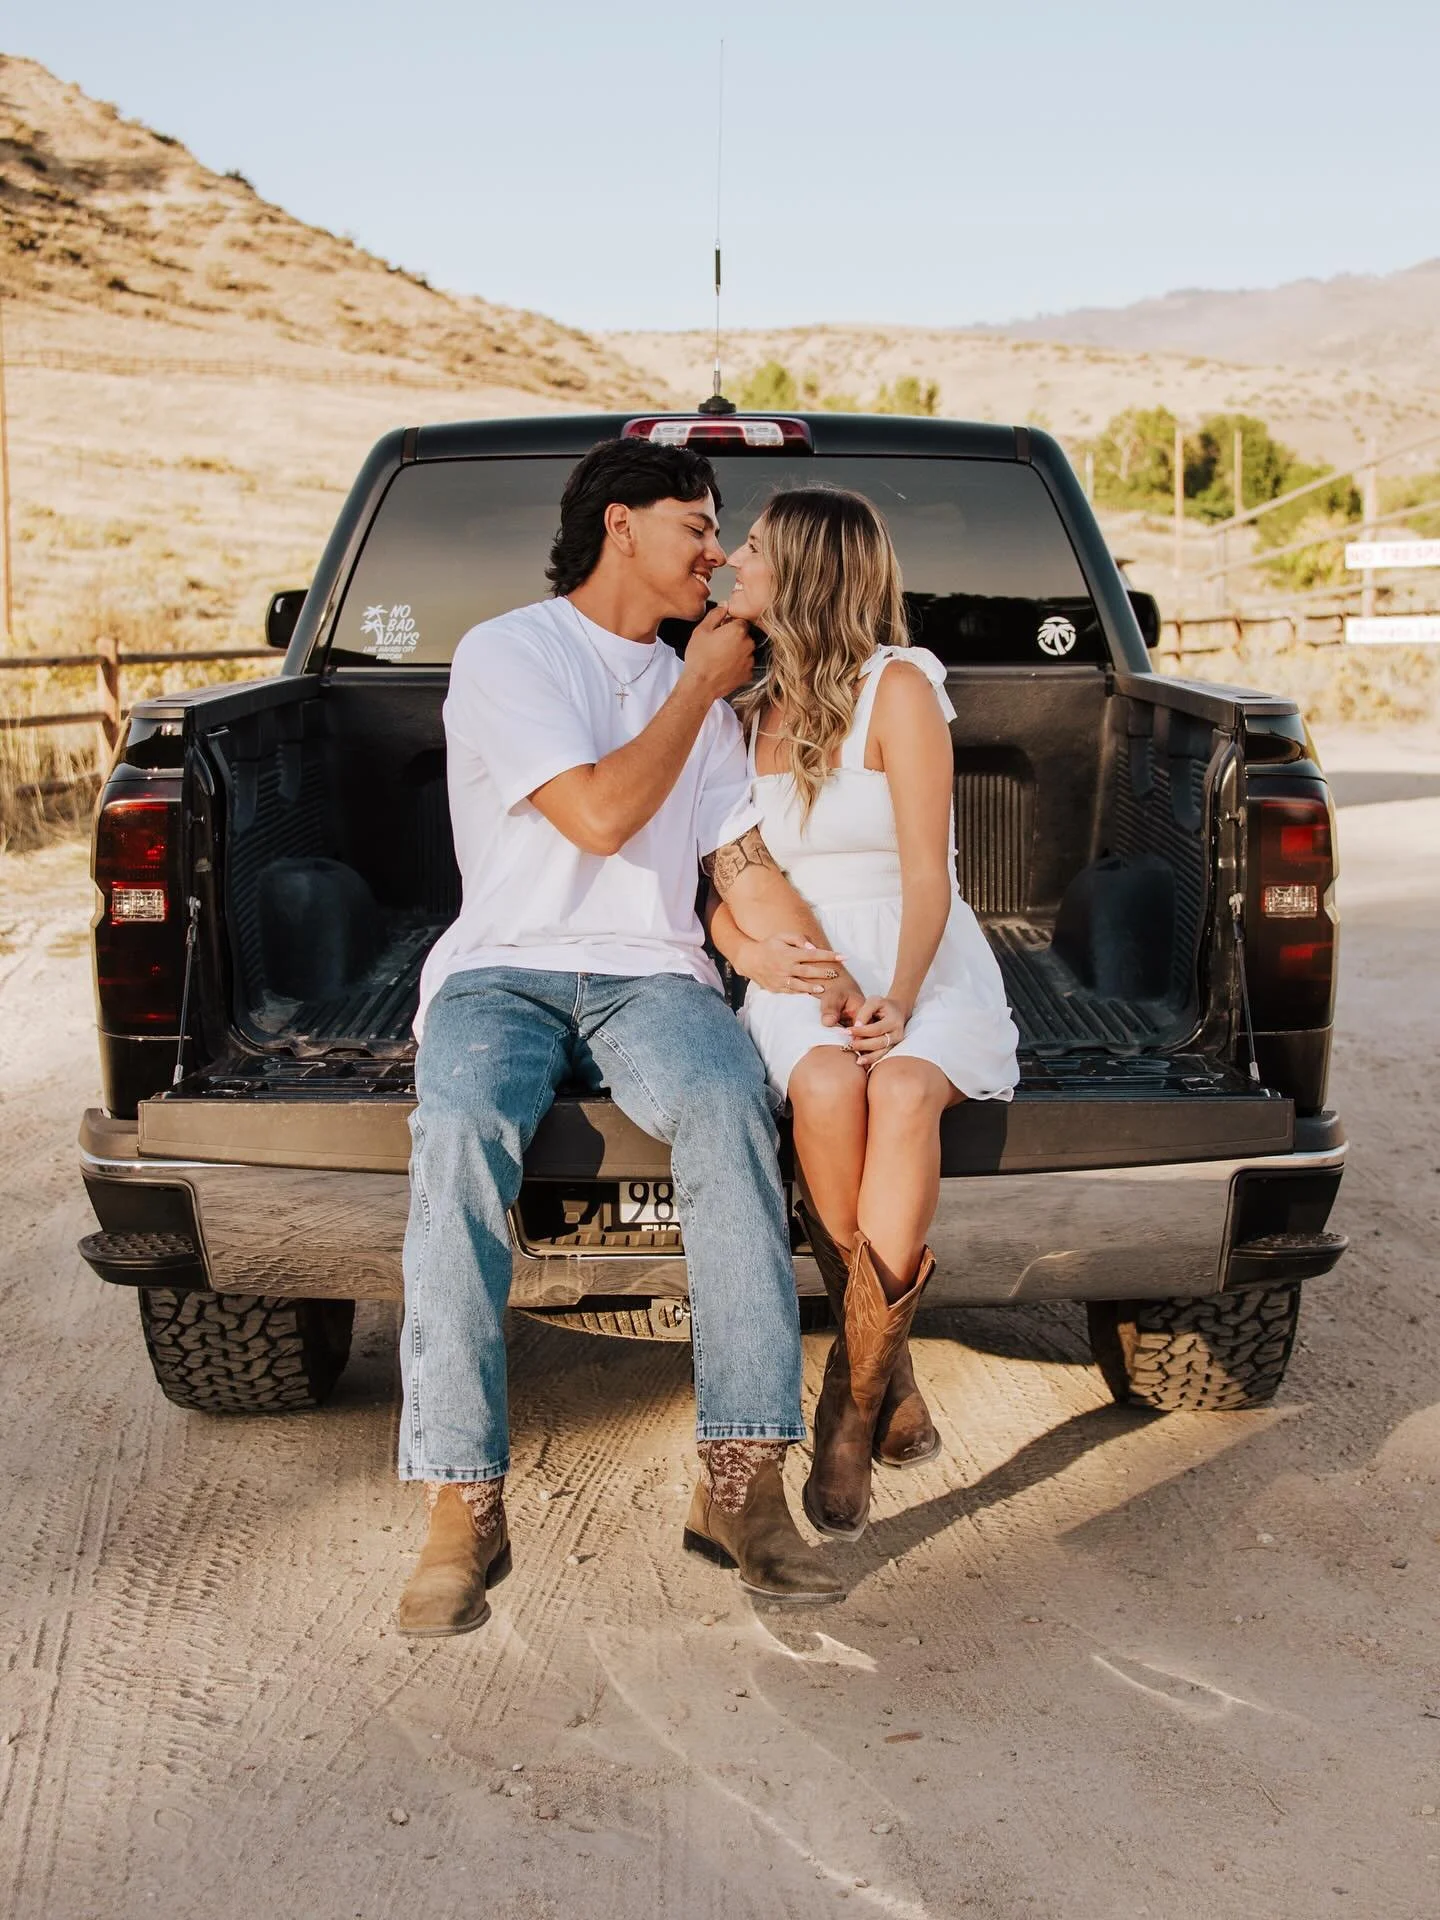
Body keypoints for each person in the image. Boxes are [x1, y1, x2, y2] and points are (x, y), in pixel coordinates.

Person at [395, 440, 861, 1637]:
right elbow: (599, 816)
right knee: (454, 1128)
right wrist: (698, 688)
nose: (717, 552)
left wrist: (813, 964)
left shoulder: (700, 683)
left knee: (728, 1105)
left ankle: (741, 1487)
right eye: (698, 527)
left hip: (650, 978)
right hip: (504, 970)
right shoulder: (514, 652)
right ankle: (461, 1499)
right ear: (619, 525)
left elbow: (736, 862)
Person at [708, 486, 1020, 1540]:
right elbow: (724, 886)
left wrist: (901, 996)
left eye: (748, 547)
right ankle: (891, 1367)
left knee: (906, 1086)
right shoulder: (741, 711)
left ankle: (848, 1403)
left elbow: (931, 878)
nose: (729, 561)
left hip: (918, 954)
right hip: (805, 968)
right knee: (832, 1083)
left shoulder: (899, 690)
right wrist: (751, 950)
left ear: (801, 570)